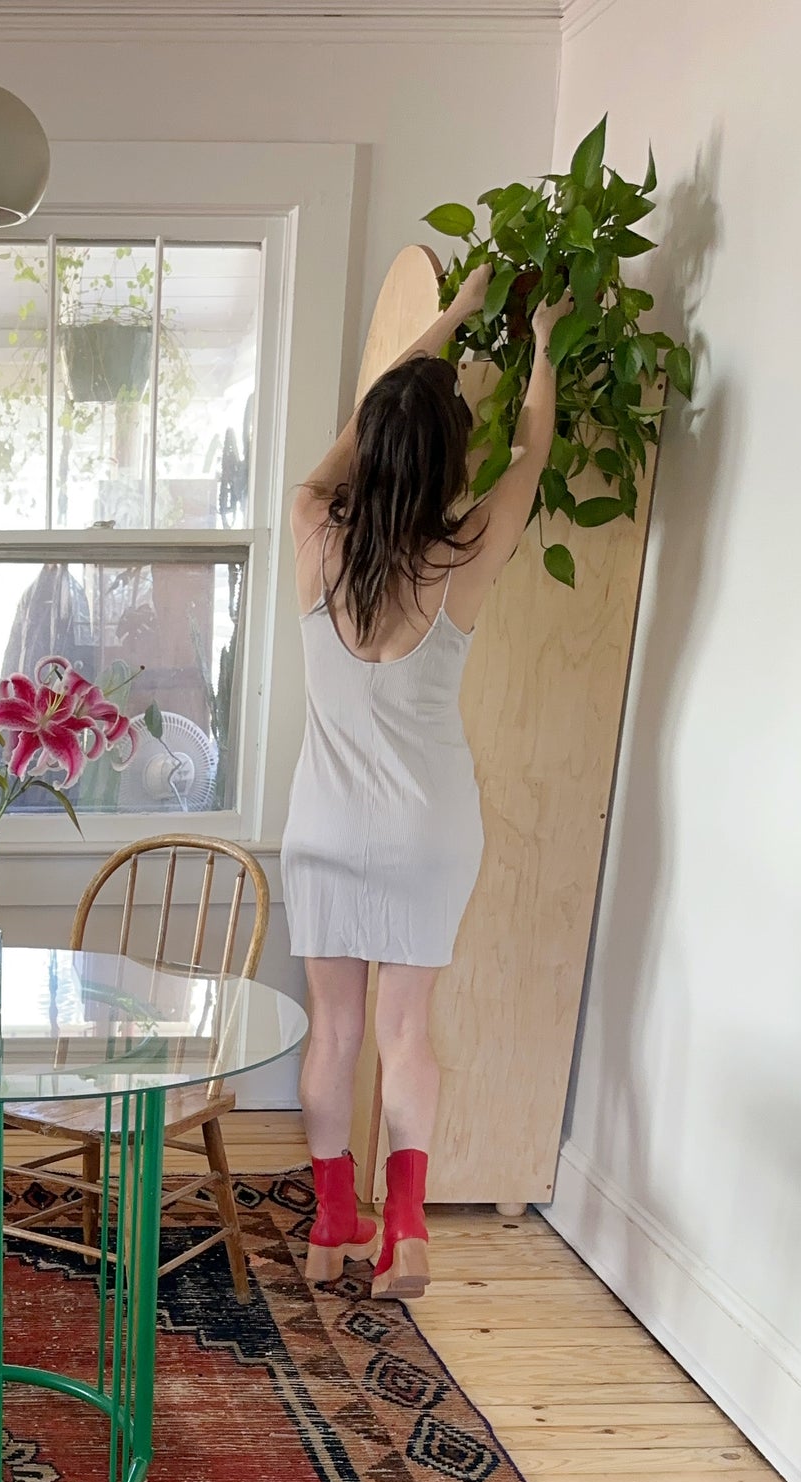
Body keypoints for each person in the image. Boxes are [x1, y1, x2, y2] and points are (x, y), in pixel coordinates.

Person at [283, 260, 567, 1298]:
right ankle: (403, 1229)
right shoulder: (464, 551)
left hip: (319, 824)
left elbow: (365, 428)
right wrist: (534, 341)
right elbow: (530, 447)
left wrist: (447, 316)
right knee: (406, 1033)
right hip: (426, 833)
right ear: (449, 456)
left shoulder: (314, 527)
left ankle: (326, 1227)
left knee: (335, 1030)